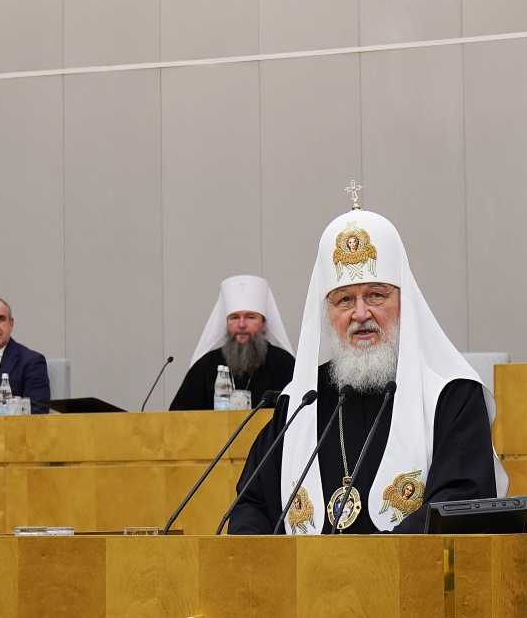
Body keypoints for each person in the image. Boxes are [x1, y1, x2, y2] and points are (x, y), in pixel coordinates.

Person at [226, 206, 501, 535]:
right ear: (328, 314)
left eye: (376, 295)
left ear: (404, 303)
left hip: (408, 568)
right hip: (308, 570)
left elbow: (460, 503)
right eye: (344, 300)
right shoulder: (302, 400)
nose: (360, 314)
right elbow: (252, 503)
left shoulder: (451, 394)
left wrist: (366, 561)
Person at [169, 275, 298, 410]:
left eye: (250, 317)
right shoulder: (205, 366)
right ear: (226, 322)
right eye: (234, 317)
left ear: (263, 323)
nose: (241, 324)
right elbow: (178, 416)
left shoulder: (284, 363)